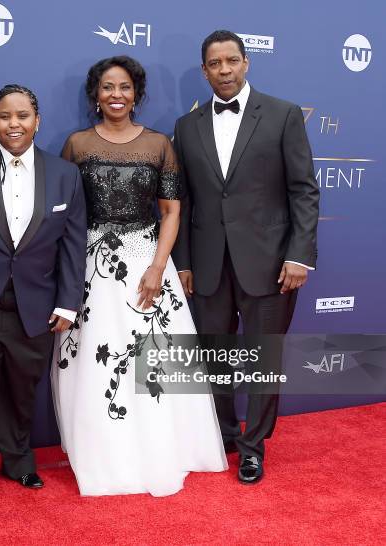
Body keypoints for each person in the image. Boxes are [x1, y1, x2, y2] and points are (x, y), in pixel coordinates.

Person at [51, 56, 227, 497]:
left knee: (156, 361)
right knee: (95, 360)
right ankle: (102, 454)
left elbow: (171, 212)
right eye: (108, 87)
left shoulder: (158, 145)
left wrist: (155, 266)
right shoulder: (76, 145)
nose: (116, 94)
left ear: (136, 94)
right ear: (96, 94)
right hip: (92, 265)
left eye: (125, 87)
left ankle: (160, 448)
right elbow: (67, 216)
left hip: (148, 262)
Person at [172, 30, 319, 484]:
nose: (224, 71)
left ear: (246, 63)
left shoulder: (282, 115)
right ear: (204, 71)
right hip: (210, 265)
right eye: (214, 64)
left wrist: (299, 255)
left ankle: (253, 447)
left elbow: (303, 191)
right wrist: (185, 262)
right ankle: (224, 434)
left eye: (231, 61)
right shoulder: (186, 125)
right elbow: (186, 201)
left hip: (271, 263)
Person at [0, 84, 87, 495]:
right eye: (5, 116)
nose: (14, 124)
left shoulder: (65, 175)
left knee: (24, 388)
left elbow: (73, 243)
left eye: (23, 116)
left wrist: (68, 302)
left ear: (37, 121)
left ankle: (18, 459)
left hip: (37, 303)